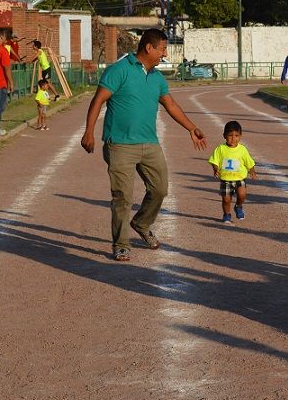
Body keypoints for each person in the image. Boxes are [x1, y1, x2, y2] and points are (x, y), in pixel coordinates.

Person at [80, 28, 208, 262]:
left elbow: (170, 105)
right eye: (162, 49)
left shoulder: (157, 78)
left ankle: (141, 223)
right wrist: (89, 132)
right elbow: (98, 100)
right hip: (120, 144)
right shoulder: (119, 70)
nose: (165, 54)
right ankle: (121, 244)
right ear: (149, 48)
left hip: (149, 143)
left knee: (160, 189)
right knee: (122, 197)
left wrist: (191, 128)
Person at [207, 120, 257, 223]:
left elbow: (249, 161)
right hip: (226, 179)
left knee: (242, 194)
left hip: (239, 178)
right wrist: (215, 169)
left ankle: (238, 206)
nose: (233, 138)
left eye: (236, 135)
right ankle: (226, 214)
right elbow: (214, 161)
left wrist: (252, 171)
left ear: (240, 136)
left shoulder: (242, 149)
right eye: (230, 135)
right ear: (224, 136)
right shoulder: (221, 149)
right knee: (226, 200)